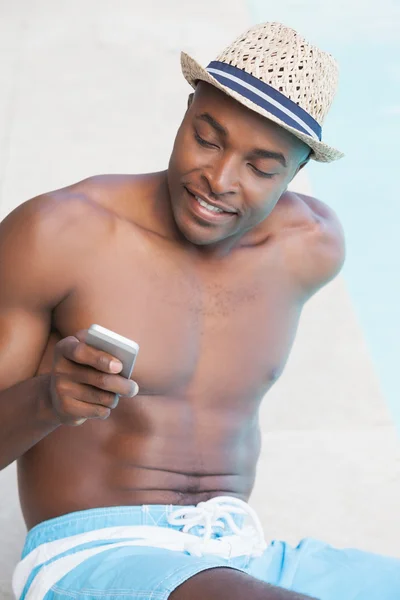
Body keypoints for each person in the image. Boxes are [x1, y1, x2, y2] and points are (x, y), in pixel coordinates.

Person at [0, 20, 398, 600]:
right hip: (92, 556)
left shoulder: (311, 248)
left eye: (261, 168)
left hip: (241, 558)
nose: (218, 179)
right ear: (188, 110)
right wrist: (48, 398)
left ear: (296, 172)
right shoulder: (60, 232)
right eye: (207, 138)